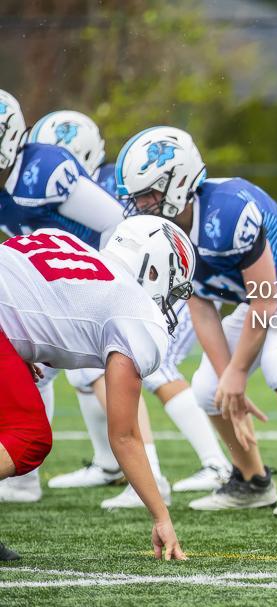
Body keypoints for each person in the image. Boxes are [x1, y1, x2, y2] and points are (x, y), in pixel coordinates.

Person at [116, 126, 277, 517]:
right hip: (264, 294)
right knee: (210, 388)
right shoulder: (167, 228)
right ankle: (252, 481)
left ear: (178, 183)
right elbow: (202, 307)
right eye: (136, 196)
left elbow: (265, 298)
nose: (140, 204)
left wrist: (240, 372)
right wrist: (230, 380)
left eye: (148, 193)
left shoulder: (227, 210)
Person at [28, 110, 232, 499]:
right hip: (128, 289)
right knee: (80, 371)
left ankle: (212, 465)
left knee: (150, 366)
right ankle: (108, 465)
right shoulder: (72, 190)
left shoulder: (103, 188)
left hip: (166, 288)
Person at [0, 215, 194, 560]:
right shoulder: (135, 311)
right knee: (29, 436)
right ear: (154, 272)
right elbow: (124, 436)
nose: (169, 300)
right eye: (172, 287)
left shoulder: (63, 240)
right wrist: (161, 516)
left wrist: (18, 344)